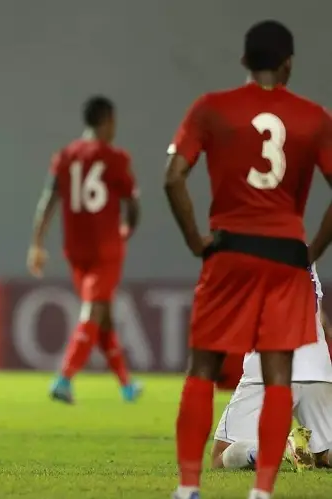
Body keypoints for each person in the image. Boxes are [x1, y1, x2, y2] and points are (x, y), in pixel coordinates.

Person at [165, 20, 332, 499]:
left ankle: (188, 487)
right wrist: (314, 248)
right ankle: (262, 492)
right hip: (285, 253)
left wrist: (197, 240)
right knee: (279, 369)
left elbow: (173, 176)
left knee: (202, 367)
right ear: (289, 64)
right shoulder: (313, 117)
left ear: (243, 62)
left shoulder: (212, 108)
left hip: (230, 246)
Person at [28, 96, 141, 404]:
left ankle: (127, 384)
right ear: (107, 121)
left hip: (75, 249)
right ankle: (64, 378)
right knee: (94, 311)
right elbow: (132, 205)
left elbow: (48, 201)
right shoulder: (116, 158)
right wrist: (127, 230)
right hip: (106, 247)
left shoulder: (65, 156)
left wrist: (37, 243)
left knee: (100, 316)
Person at [212, 264, 332, 472]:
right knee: (324, 452)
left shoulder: (248, 250)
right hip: (317, 367)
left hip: (267, 368)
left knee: (220, 455)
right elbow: (320, 316)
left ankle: (281, 449)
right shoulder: (305, 254)